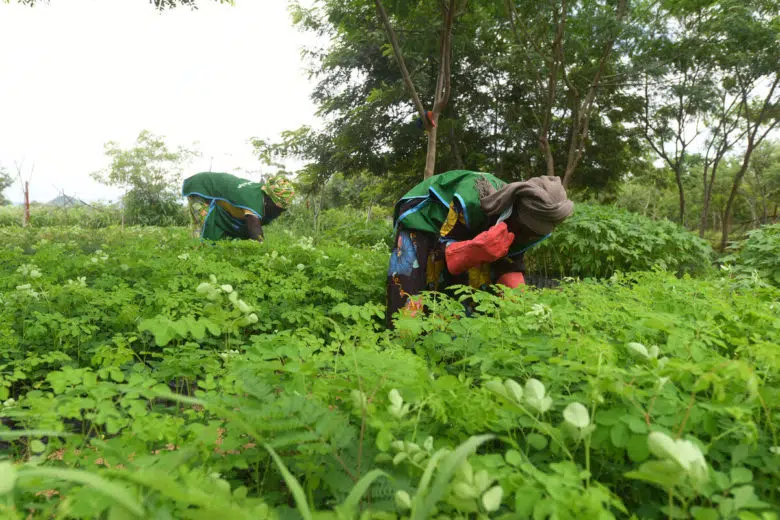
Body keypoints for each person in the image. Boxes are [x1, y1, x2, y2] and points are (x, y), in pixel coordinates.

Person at [386, 170, 574, 328]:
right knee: (410, 293)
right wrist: (477, 250)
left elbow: (510, 265)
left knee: (477, 293)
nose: (527, 236)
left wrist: (527, 312)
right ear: (515, 212)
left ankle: (455, 336)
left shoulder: (527, 228)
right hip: (425, 217)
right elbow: (443, 253)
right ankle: (401, 345)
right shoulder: (472, 201)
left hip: (474, 233)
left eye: (534, 233)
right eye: (526, 228)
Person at [182, 172, 294, 242]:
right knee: (203, 224)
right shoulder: (251, 202)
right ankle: (196, 255)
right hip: (201, 187)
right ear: (269, 199)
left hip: (213, 185)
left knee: (207, 227)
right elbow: (255, 230)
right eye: (278, 209)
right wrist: (264, 251)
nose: (279, 213)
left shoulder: (262, 192)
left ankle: (202, 248)